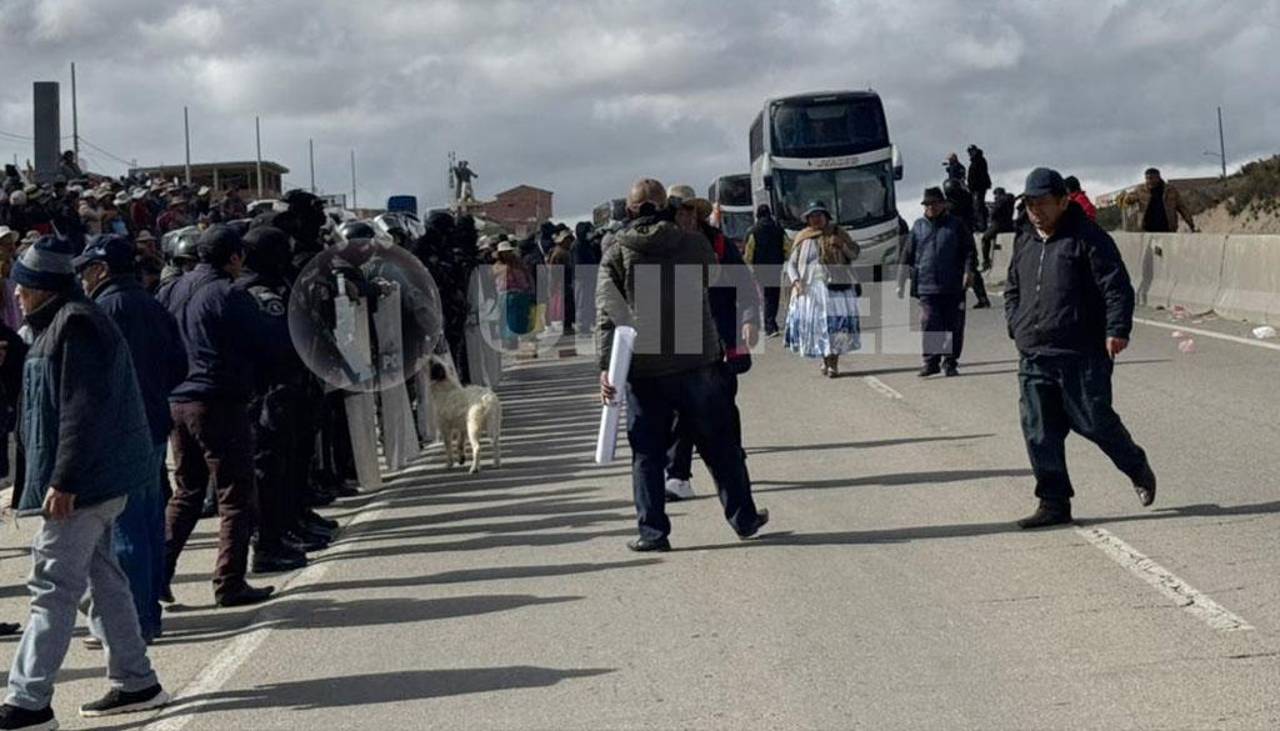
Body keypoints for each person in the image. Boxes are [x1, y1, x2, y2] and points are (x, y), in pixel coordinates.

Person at [3, 235, 171, 729]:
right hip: (91, 481)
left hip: (84, 483)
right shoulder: (58, 323)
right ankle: (137, 680)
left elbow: (83, 411)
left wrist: (64, 479)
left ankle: (28, 701)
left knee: (51, 586)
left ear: (45, 287)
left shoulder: (77, 324)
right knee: (104, 577)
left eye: (24, 286)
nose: (16, 294)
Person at [597, 179, 769, 552]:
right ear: (667, 207)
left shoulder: (615, 249)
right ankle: (744, 518)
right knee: (721, 445)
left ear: (628, 211)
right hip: (698, 359)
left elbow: (607, 312)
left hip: (644, 368)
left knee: (647, 454)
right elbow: (713, 275)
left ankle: (652, 533)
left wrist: (605, 368)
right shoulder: (692, 242)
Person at [1004, 168, 1157, 529]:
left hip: (1081, 351)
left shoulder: (1089, 237)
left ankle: (1136, 465)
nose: (1035, 211)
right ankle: (1053, 502)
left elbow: (1117, 287)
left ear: (1063, 201)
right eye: (1029, 204)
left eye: (1042, 203)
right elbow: (1013, 288)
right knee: (1038, 430)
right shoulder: (1024, 239)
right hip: (1035, 353)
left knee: (1094, 421)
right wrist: (1015, 322)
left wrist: (1117, 329)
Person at [73, 235, 187, 645]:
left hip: (121, 434)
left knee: (126, 533)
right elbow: (179, 365)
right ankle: (146, 613)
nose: (83, 278)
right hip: (154, 424)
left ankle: (133, 623)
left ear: (101, 269)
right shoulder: (152, 304)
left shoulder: (101, 311)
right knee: (148, 524)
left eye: (87, 269)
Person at [158, 225, 277, 607]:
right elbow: (262, 341)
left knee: (187, 492)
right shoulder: (229, 294)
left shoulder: (171, 290)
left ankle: (157, 574)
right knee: (235, 494)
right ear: (234, 257)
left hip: (177, 400)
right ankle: (229, 582)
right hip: (218, 402)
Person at [664, 192, 760, 501]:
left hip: (720, 335)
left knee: (723, 408)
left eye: (691, 212)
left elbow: (744, 283)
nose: (686, 217)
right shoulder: (664, 245)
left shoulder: (718, 243)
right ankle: (677, 476)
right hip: (681, 339)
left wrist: (749, 319)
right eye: (680, 212)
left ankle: (735, 465)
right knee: (681, 411)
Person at [897, 187, 978, 378]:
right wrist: (900, 281)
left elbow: (969, 251)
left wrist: (969, 271)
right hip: (926, 285)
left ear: (943, 204)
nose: (931, 207)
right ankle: (931, 361)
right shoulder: (918, 226)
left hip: (953, 285)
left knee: (953, 325)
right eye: (927, 204)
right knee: (930, 322)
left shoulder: (956, 225)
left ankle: (950, 362)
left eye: (934, 203)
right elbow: (907, 255)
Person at [784, 201, 862, 378]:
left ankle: (833, 362)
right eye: (812, 216)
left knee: (835, 327)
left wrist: (842, 245)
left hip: (836, 288)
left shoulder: (838, 233)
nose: (816, 219)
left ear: (826, 217)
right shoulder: (803, 238)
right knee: (819, 327)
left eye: (819, 215)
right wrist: (796, 281)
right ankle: (825, 359)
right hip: (810, 291)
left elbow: (854, 254)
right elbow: (792, 265)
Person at [943, 179, 991, 309]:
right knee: (972, 269)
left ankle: (961, 301)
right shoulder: (967, 200)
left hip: (955, 242)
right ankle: (983, 298)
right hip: (968, 238)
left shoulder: (948, 207)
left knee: (957, 271)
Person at [744, 204, 787, 338]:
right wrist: (782, 258)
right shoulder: (779, 229)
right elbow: (787, 247)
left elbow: (749, 252)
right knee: (774, 295)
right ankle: (771, 323)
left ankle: (769, 326)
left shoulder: (753, 231)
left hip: (760, 269)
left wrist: (749, 266)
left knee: (765, 295)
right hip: (775, 267)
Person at [1122, 168, 1196, 233]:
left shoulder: (1170, 190)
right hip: (1147, 229)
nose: (1148, 181)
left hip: (1167, 229)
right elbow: (1128, 200)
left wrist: (1191, 224)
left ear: (1158, 177)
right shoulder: (1141, 190)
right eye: (1147, 178)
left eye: (1151, 178)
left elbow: (1182, 208)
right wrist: (1129, 199)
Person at [493, 240, 534, 350]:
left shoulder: (519, 264)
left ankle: (518, 340)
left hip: (520, 294)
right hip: (504, 294)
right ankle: (509, 341)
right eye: (504, 252)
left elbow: (527, 276)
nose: (506, 254)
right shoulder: (497, 266)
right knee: (506, 319)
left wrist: (529, 289)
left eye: (508, 252)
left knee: (519, 319)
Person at [981, 187, 1016, 272]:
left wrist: (991, 209)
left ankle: (986, 261)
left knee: (984, 238)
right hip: (1009, 225)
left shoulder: (999, 201)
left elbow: (993, 213)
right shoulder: (1010, 199)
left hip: (998, 225)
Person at [967, 145, 992, 232]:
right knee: (978, 206)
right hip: (976, 187)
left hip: (978, 187)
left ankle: (982, 225)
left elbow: (979, 175)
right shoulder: (976, 160)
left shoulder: (979, 160)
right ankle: (981, 225)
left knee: (978, 206)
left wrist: (973, 186)